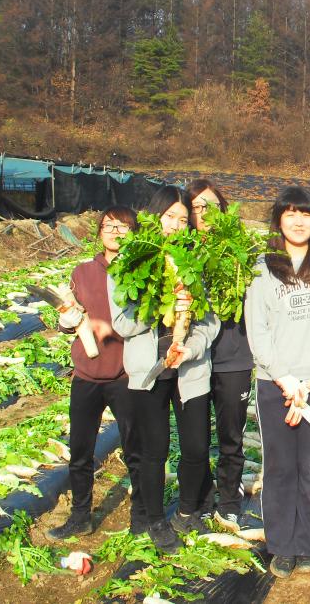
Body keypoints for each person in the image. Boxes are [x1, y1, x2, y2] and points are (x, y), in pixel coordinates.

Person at [245, 186, 310, 578]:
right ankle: (282, 545)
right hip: (275, 384)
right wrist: (285, 379)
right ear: (279, 220)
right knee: (279, 467)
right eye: (290, 213)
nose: (299, 221)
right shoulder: (261, 267)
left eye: (305, 214)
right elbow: (257, 330)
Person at [110, 185, 221, 554]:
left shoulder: (194, 261)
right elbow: (122, 324)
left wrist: (190, 348)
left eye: (183, 219)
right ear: (154, 217)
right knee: (154, 451)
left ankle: (187, 511)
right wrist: (160, 302)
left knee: (196, 447)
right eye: (169, 216)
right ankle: (155, 519)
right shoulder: (131, 260)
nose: (175, 225)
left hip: (188, 370)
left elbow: (210, 322)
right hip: (149, 373)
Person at [47, 206, 145, 540]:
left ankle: (141, 516)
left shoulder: (140, 272)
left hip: (125, 374)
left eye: (123, 226)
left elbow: (146, 321)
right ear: (99, 231)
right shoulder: (82, 271)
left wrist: (110, 330)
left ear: (134, 232)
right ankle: (80, 517)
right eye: (109, 225)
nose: (115, 232)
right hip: (87, 375)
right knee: (80, 451)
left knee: (135, 450)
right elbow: (70, 318)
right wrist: (66, 321)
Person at [186, 178, 253, 532]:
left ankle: (228, 502)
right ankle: (198, 499)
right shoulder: (180, 251)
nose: (203, 213)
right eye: (195, 207)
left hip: (233, 356)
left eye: (209, 206)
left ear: (223, 210)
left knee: (231, 437)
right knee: (194, 439)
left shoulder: (241, 250)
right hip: (193, 359)